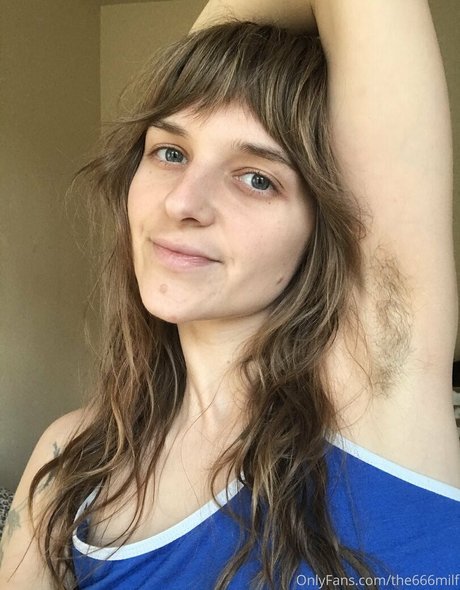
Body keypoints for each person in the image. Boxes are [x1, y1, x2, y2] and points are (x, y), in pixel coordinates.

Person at [1, 0, 459, 588]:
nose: (182, 202)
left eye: (257, 179)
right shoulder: (72, 459)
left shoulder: (377, 396)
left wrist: (206, 64)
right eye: (170, 152)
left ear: (324, 227)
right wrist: (203, 68)